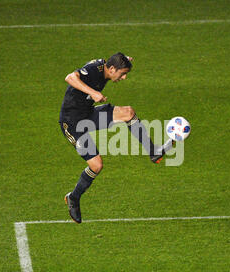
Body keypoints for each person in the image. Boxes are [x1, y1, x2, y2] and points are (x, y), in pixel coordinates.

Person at [59, 52, 173, 223]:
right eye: (123, 73)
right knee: (96, 165)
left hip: (88, 114)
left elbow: (115, 62)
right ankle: (74, 198)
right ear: (112, 69)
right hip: (72, 122)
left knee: (128, 113)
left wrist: (125, 59)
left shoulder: (107, 66)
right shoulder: (93, 70)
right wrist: (94, 93)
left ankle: (153, 152)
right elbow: (70, 77)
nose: (124, 77)